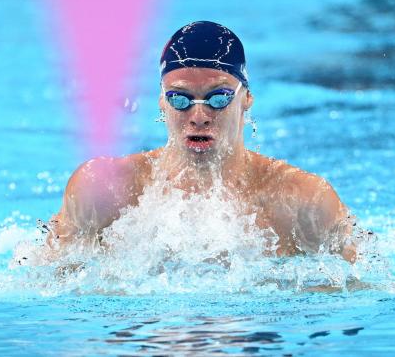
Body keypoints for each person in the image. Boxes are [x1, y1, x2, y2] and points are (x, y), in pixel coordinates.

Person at [45, 21, 356, 262]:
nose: (199, 115)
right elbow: (41, 277)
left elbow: (363, 286)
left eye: (218, 98)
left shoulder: (304, 201)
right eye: (179, 99)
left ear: (246, 98)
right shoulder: (104, 190)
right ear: (161, 103)